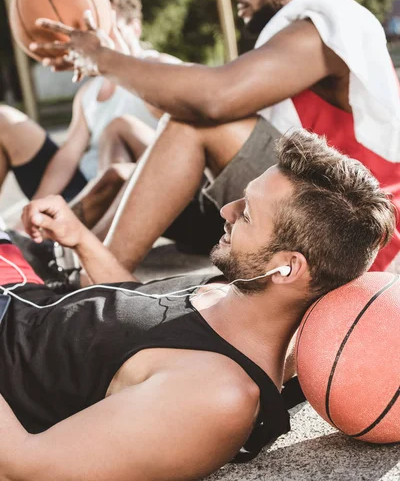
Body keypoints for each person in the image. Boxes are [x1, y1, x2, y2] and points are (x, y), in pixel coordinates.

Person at [0, 130, 395, 481]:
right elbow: (143, 325)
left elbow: (23, 465)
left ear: (287, 267)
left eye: (248, 214)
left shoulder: (216, 398)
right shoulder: (237, 295)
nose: (227, 211)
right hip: (25, 289)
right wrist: (82, 240)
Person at [31, 0, 400, 273]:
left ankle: (95, 282)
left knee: (195, 125)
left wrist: (102, 58)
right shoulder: (287, 43)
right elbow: (190, 100)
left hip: (356, 233)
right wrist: (117, 57)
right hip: (317, 209)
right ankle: (70, 262)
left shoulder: (329, 17)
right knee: (138, 155)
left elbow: (213, 100)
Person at [0, 0, 178, 209]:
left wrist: (118, 65)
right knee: (3, 119)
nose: (99, 35)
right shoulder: (89, 92)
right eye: (93, 28)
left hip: (140, 189)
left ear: (135, 28)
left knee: (117, 128)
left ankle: (103, 229)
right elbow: (68, 155)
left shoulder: (163, 66)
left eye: (107, 26)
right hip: (87, 186)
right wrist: (37, 206)